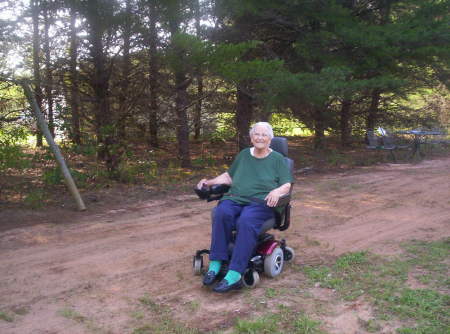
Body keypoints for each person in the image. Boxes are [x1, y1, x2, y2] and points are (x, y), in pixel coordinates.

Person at [197, 122, 293, 293]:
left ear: (270, 139)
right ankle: (216, 263)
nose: (260, 138)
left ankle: (234, 274)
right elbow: (229, 176)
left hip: (260, 203)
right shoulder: (243, 155)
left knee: (246, 220)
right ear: (251, 137)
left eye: (264, 135)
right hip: (236, 198)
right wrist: (208, 182)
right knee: (221, 212)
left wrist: (277, 191)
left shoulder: (278, 159)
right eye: (257, 134)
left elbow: (286, 184)